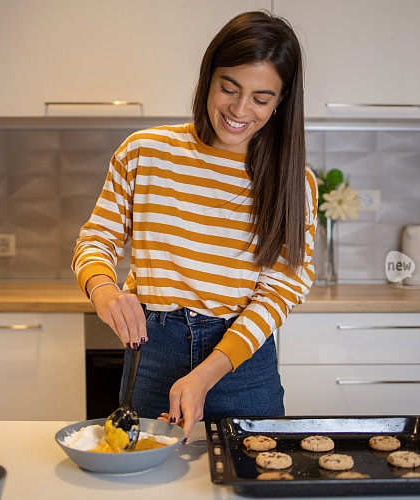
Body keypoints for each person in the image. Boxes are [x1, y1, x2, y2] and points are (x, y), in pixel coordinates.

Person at [72, 10, 317, 437]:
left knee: (255, 487)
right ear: (208, 77)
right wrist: (104, 289)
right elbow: (95, 240)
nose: (240, 110)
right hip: (153, 354)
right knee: (148, 488)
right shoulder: (144, 153)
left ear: (281, 103)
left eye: (261, 99)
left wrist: (207, 373)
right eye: (229, 88)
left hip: (241, 364)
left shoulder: (294, 184)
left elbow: (282, 289)